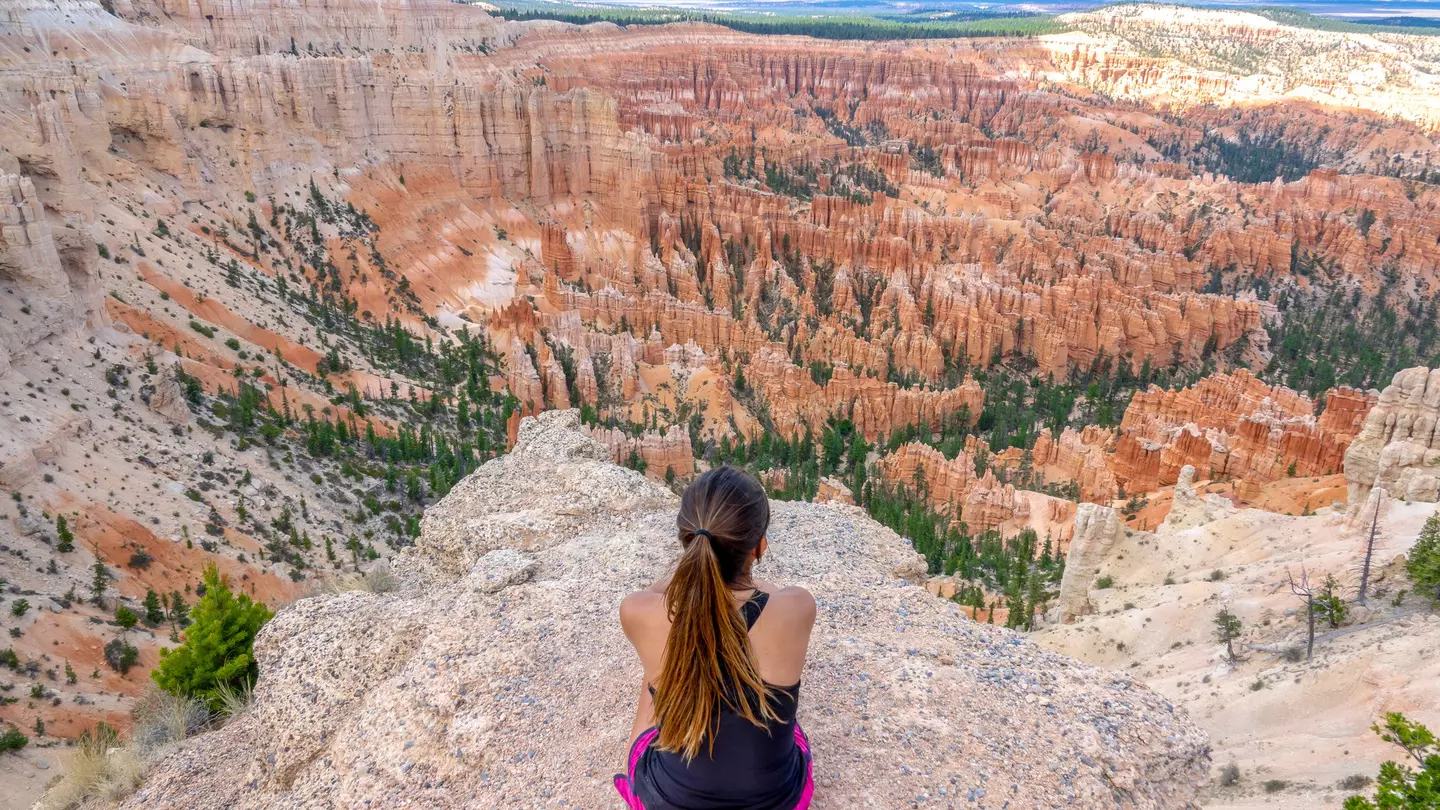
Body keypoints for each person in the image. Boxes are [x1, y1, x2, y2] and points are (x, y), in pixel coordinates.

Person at [613, 466, 817, 810]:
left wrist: (692, 576)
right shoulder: (796, 607)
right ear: (759, 546)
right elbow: (764, 592)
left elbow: (659, 594)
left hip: (668, 802)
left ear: (686, 542)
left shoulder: (638, 611)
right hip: (778, 802)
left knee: (656, 674)